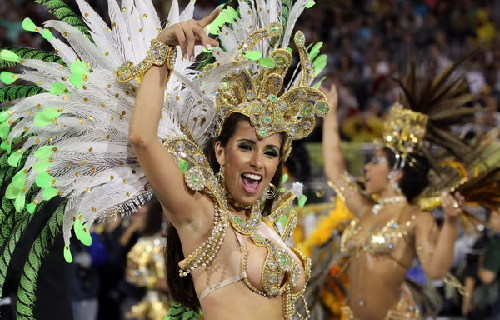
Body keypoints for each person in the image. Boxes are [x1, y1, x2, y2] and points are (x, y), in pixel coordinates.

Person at [0, 0, 327, 319]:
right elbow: (143, 139)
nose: (259, 161)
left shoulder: (266, 225)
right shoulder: (201, 215)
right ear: (220, 152)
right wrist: (162, 50)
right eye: (246, 146)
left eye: (270, 151)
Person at [321, 59, 477, 319]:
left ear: (396, 172)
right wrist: (329, 116)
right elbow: (336, 172)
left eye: (375, 161)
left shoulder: (416, 218)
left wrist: (450, 223)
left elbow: (435, 271)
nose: (366, 168)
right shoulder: (365, 210)